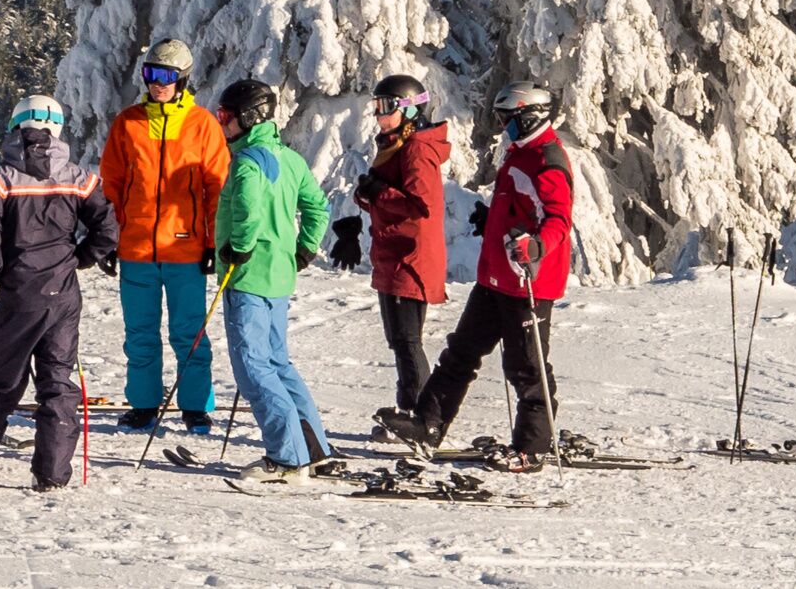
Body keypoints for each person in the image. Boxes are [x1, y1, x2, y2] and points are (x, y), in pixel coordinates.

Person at [380, 83, 573, 460]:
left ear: (529, 117)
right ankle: (428, 424)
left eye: (508, 120)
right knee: (461, 353)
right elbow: (521, 206)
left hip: (526, 281)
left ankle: (533, 443)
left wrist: (536, 245)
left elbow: (557, 219)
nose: (503, 128)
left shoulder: (547, 159)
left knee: (525, 366)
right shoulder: (520, 154)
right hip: (495, 279)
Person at [0, 95, 117, 491]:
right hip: (63, 292)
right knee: (57, 381)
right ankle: (52, 472)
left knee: (3, 381)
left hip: (20, 291)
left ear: (15, 126)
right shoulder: (80, 177)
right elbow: (108, 230)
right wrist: (78, 259)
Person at [96, 38, 227, 433]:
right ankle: (144, 404)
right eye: (151, 74)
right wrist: (109, 237)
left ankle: (194, 406)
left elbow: (216, 189)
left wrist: (211, 243)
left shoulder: (202, 125)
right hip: (136, 248)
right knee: (140, 333)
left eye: (166, 76)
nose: (158, 84)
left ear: (183, 79)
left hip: (185, 249)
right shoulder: (128, 122)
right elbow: (111, 186)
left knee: (189, 332)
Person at [213, 80, 337, 483]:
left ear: (250, 118)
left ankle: (287, 459)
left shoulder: (247, 161)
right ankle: (315, 449)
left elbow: (247, 208)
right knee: (278, 364)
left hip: (248, 277)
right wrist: (305, 248)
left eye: (227, 118)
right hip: (280, 278)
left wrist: (240, 247)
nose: (222, 125)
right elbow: (318, 207)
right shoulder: (289, 159)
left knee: (253, 368)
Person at [350, 75, 451, 416]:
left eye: (386, 107)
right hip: (394, 255)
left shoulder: (417, 150)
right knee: (400, 340)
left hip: (409, 257)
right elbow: (394, 200)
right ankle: (410, 409)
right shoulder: (397, 145)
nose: (379, 115)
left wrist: (380, 193)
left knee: (407, 340)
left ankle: (420, 415)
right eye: (376, 106)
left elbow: (421, 207)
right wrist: (369, 195)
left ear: (409, 110)